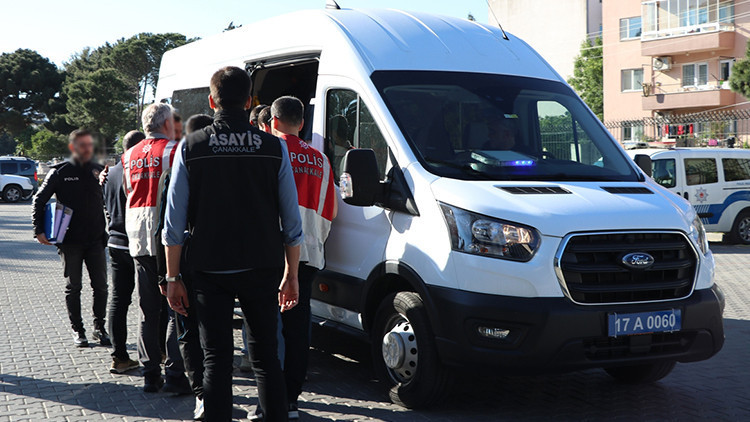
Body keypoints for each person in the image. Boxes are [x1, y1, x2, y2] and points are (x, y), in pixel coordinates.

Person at [163, 66, 303, 422]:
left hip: (209, 266)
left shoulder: (191, 147)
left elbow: (173, 223)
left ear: (212, 102)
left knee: (216, 358)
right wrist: (292, 274)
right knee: (266, 356)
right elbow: (292, 221)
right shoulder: (273, 147)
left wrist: (172, 277)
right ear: (249, 101)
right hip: (262, 264)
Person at [263, 96, 338, 420]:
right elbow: (330, 210)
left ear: (273, 121)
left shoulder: (268, 151)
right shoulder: (321, 160)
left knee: (266, 328)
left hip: (271, 253)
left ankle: (270, 398)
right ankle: (291, 399)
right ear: (302, 123)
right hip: (309, 253)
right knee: (297, 328)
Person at [122, 103, 190, 394]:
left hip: (138, 236)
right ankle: (175, 373)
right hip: (168, 237)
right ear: (166, 124)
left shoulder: (128, 155)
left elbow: (127, 191)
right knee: (177, 306)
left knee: (147, 309)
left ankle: (150, 373)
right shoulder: (175, 150)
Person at [31, 129, 110, 348]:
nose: (88, 149)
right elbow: (39, 200)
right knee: (74, 287)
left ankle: (99, 328)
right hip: (70, 241)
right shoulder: (60, 172)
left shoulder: (99, 170)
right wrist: (38, 230)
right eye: (83, 145)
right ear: (73, 147)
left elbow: (110, 199)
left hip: (96, 239)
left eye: (90, 144)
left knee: (101, 286)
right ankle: (78, 330)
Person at [158, 112, 213, 420]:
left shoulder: (179, 166)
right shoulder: (217, 165)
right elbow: (165, 226)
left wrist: (166, 275)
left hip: (186, 262)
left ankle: (203, 395)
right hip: (201, 263)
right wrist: (167, 276)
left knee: (189, 331)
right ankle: (206, 394)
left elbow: (163, 228)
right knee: (197, 331)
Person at [103, 130, 144, 373]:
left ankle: (119, 356)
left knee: (118, 300)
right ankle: (158, 351)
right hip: (138, 243)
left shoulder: (109, 174)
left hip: (115, 242)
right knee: (151, 300)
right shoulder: (138, 169)